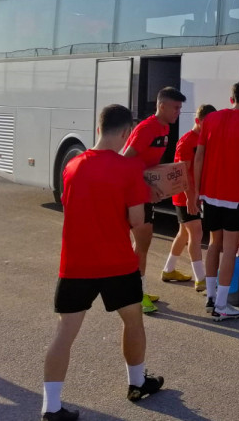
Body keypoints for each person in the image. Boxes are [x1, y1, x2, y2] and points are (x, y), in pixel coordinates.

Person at [41, 105, 164, 421]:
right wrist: (145, 197)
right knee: (133, 320)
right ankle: (137, 383)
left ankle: (50, 407)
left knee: (64, 333)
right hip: (117, 263)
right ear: (125, 133)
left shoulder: (72, 166)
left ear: (99, 129)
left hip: (75, 264)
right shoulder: (128, 169)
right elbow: (137, 221)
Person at [189, 81, 239, 321]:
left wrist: (197, 191)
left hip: (210, 193)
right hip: (234, 196)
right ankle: (222, 305)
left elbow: (199, 157)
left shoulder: (210, 119)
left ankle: (211, 297)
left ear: (231, 99)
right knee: (230, 249)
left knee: (214, 243)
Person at [122, 86, 186, 314]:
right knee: (141, 244)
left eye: (180, 108)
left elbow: (149, 164)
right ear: (161, 106)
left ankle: (137, 291)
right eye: (175, 107)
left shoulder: (165, 128)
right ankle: (135, 295)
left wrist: (158, 184)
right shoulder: (147, 129)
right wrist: (145, 187)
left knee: (143, 244)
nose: (178, 112)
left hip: (142, 194)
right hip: (133, 194)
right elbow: (125, 161)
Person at [161, 104, 216, 292]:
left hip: (192, 194)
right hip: (185, 194)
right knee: (196, 233)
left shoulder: (203, 139)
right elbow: (182, 173)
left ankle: (168, 270)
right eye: (206, 123)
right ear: (197, 121)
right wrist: (190, 199)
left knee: (184, 233)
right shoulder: (186, 142)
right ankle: (200, 278)